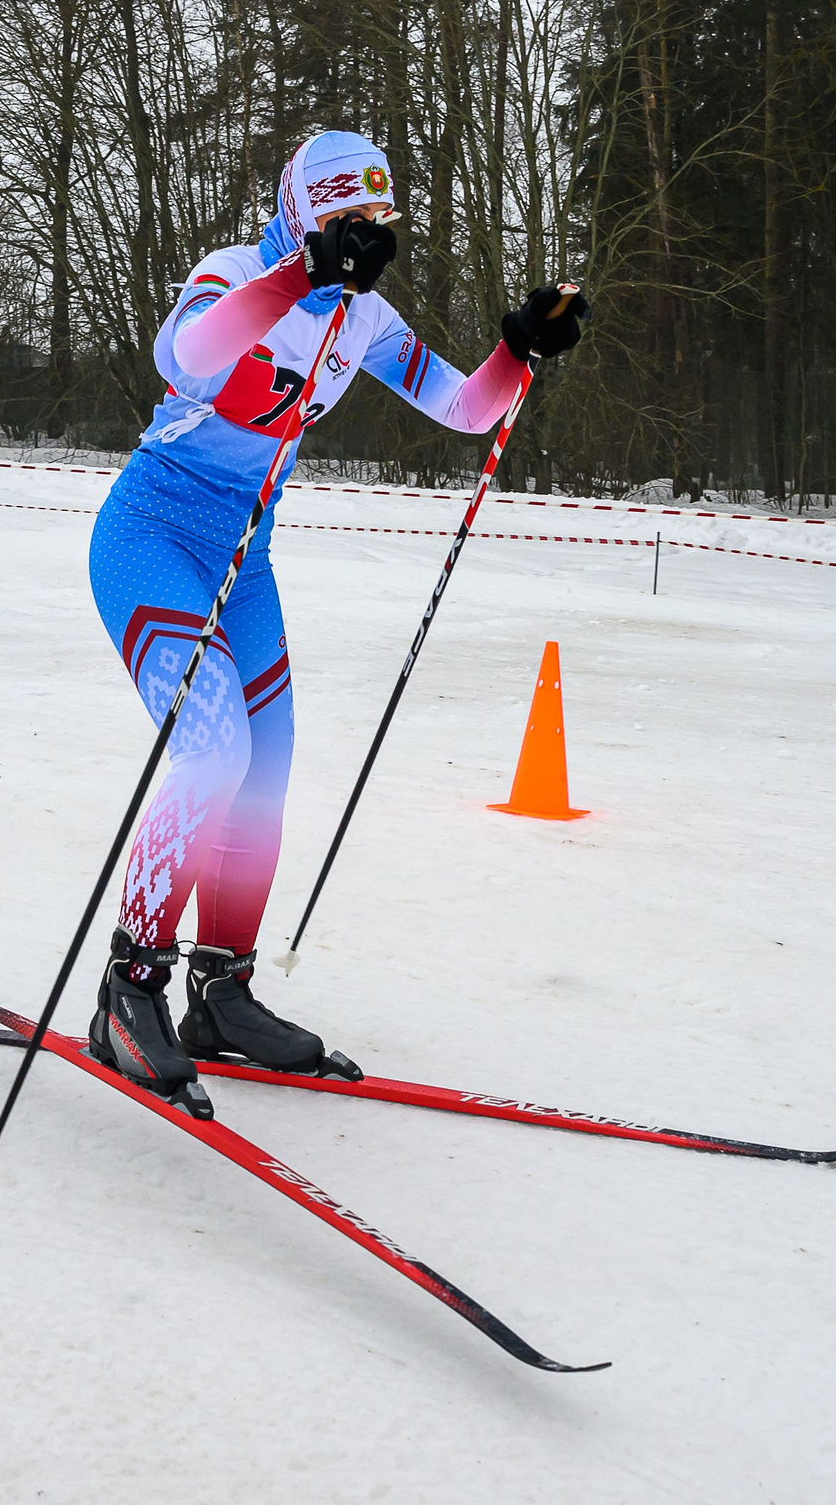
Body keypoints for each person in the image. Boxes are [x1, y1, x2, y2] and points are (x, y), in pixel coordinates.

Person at [84, 128, 588, 1112]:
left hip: (246, 557)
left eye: (377, 222)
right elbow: (184, 358)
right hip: (151, 536)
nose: (365, 239)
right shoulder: (232, 276)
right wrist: (296, 276)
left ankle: (220, 995)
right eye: (346, 221)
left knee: (263, 767)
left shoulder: (364, 319)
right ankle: (125, 991)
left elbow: (464, 408)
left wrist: (516, 350)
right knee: (212, 746)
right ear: (305, 214)